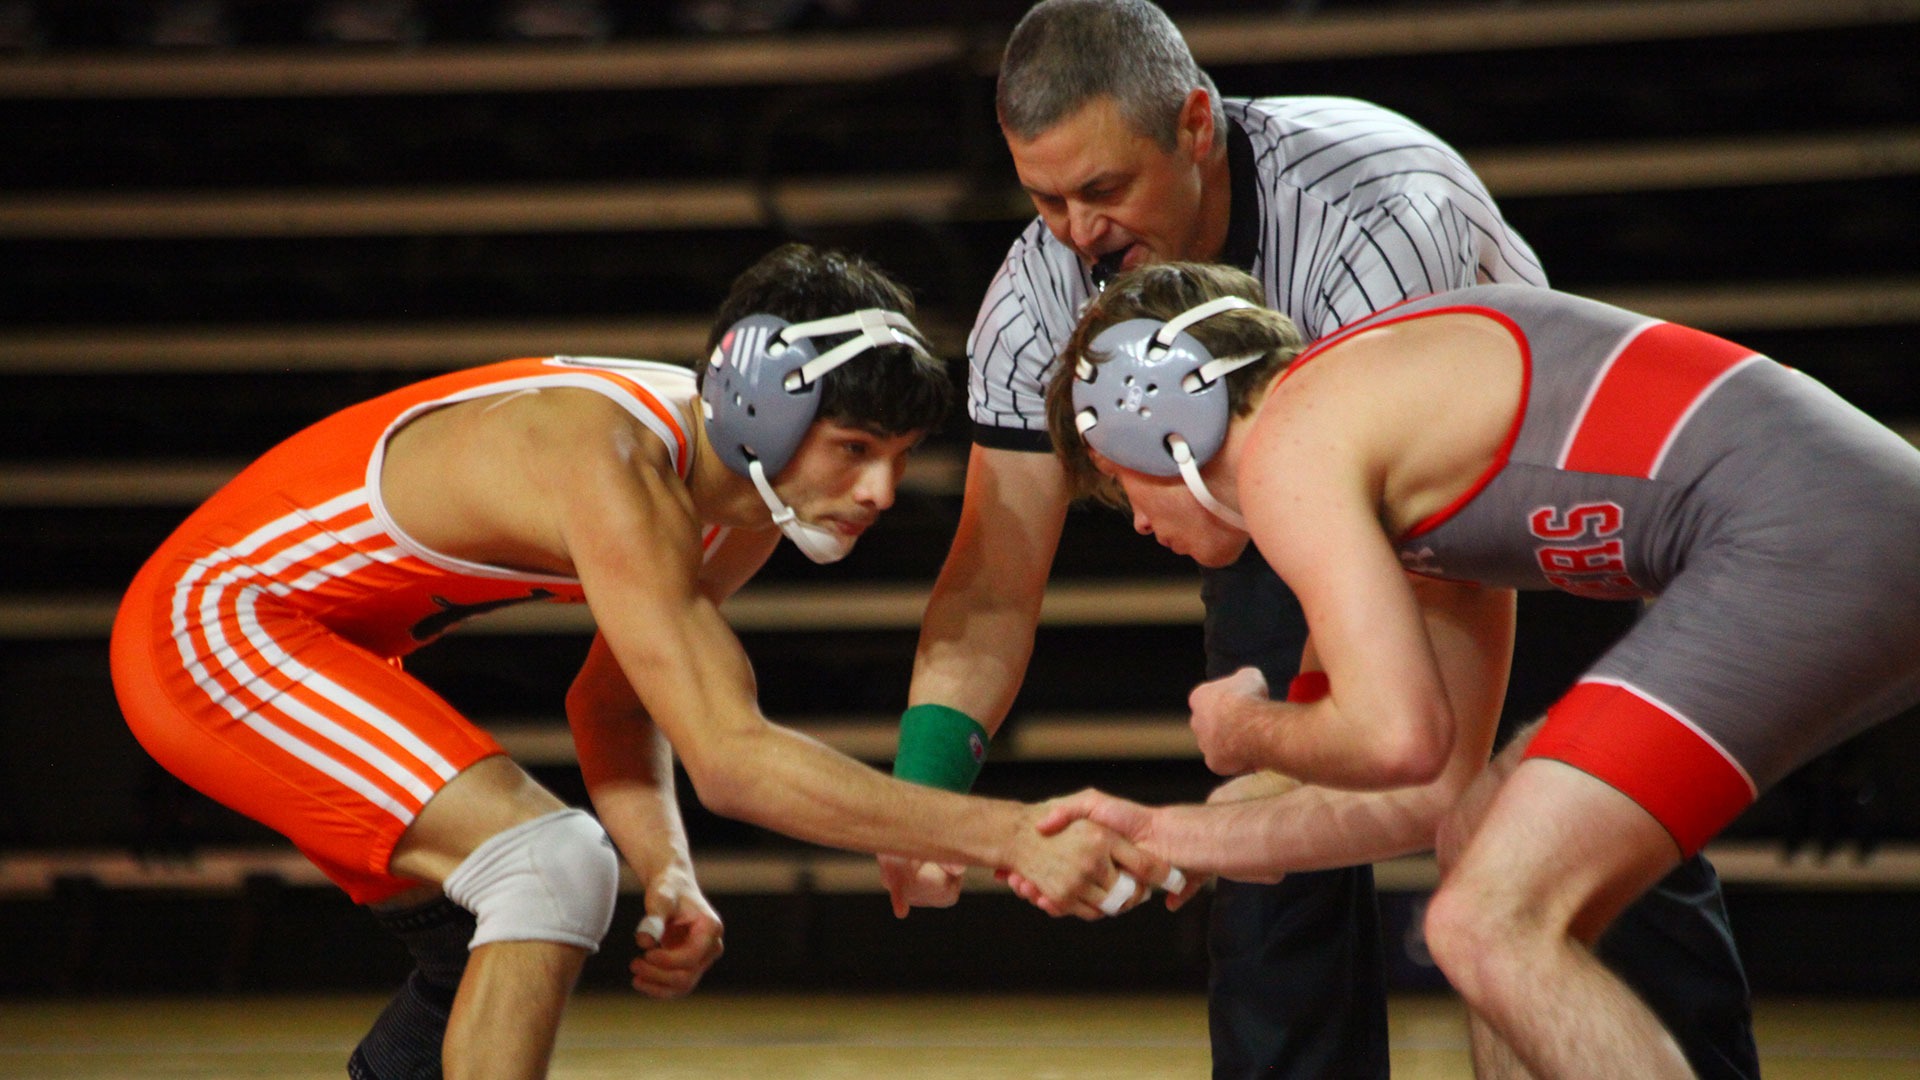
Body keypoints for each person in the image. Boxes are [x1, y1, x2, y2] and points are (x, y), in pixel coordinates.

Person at [884, 1, 1758, 1076]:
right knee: (1276, 887)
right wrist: (925, 799)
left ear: (1195, 125)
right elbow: (993, 579)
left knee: (1579, 836)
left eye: (1104, 190)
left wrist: (1266, 759)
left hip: (1507, 504)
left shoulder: (1372, 215)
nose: (1077, 232)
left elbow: (1407, 600)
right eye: (1045, 197)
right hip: (1272, 499)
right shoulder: (1035, 294)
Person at [109, 243, 1167, 1080]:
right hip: (214, 629)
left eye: (898, 458)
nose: (881, 493)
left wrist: (667, 870)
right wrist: (1008, 834)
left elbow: (614, 707)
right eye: (855, 449)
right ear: (763, 403)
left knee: (478, 946)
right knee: (549, 865)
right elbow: (733, 760)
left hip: (314, 642)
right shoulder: (609, 460)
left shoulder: (738, 496)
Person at [1035, 260, 1920, 1076]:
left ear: (1160, 421)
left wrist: (1245, 730)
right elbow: (1426, 792)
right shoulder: (1377, 433)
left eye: (1118, 484)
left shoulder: (1290, 445)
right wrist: (1169, 836)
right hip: (1840, 527)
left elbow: (1396, 739)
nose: (1138, 522)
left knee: (1487, 923)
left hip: (1804, 537)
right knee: (1480, 840)